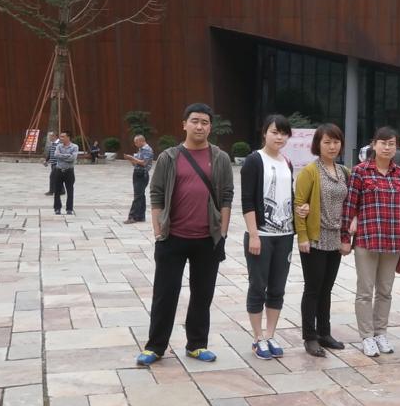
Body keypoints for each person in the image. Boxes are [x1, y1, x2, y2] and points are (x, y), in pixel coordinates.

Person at [136, 103, 233, 367]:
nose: (200, 126)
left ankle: (197, 344)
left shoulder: (220, 158)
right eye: (195, 121)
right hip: (173, 238)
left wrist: (223, 232)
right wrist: (158, 231)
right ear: (184, 124)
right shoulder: (169, 157)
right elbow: (156, 194)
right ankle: (155, 346)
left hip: (207, 239)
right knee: (165, 295)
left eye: (205, 122)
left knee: (203, 295)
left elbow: (226, 196)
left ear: (210, 127)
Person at [341, 126, 400, 357]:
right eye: (383, 143)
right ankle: (367, 336)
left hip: (392, 240)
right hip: (367, 239)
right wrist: (345, 237)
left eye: (391, 144)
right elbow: (350, 206)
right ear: (374, 144)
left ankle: (381, 333)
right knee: (364, 291)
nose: (387, 147)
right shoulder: (360, 172)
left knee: (385, 291)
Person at [240, 114, 295, 360]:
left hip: (285, 235)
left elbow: (289, 196)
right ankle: (257, 337)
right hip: (261, 234)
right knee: (257, 286)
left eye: (283, 133)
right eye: (274, 132)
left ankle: (271, 334)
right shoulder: (254, 160)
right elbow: (247, 200)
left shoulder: (287, 162)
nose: (279, 137)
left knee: (277, 288)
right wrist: (254, 234)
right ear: (265, 133)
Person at [294, 123, 350, 357]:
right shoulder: (310, 171)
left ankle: (324, 333)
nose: (332, 146)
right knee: (313, 289)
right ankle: (310, 337)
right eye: (327, 142)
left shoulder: (344, 171)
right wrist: (303, 237)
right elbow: (299, 205)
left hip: (335, 238)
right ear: (318, 144)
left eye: (336, 142)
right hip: (315, 239)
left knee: (327, 288)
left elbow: (349, 204)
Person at [124, 135, 154, 223]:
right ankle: (140, 216)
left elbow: (144, 163)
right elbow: (136, 163)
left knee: (137, 196)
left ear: (141, 141)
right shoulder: (141, 150)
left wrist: (132, 158)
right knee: (141, 195)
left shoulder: (147, 150)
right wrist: (130, 159)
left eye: (136, 142)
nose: (135, 144)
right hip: (138, 173)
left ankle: (132, 217)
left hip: (142, 174)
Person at [53, 132, 79, 215]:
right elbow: (56, 155)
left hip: (69, 171)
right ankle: (57, 208)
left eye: (63, 137)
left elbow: (73, 158)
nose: (61, 138)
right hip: (59, 170)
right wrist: (67, 155)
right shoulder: (58, 146)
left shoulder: (74, 147)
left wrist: (61, 156)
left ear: (68, 137)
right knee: (57, 191)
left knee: (70, 191)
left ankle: (69, 209)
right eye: (60, 136)